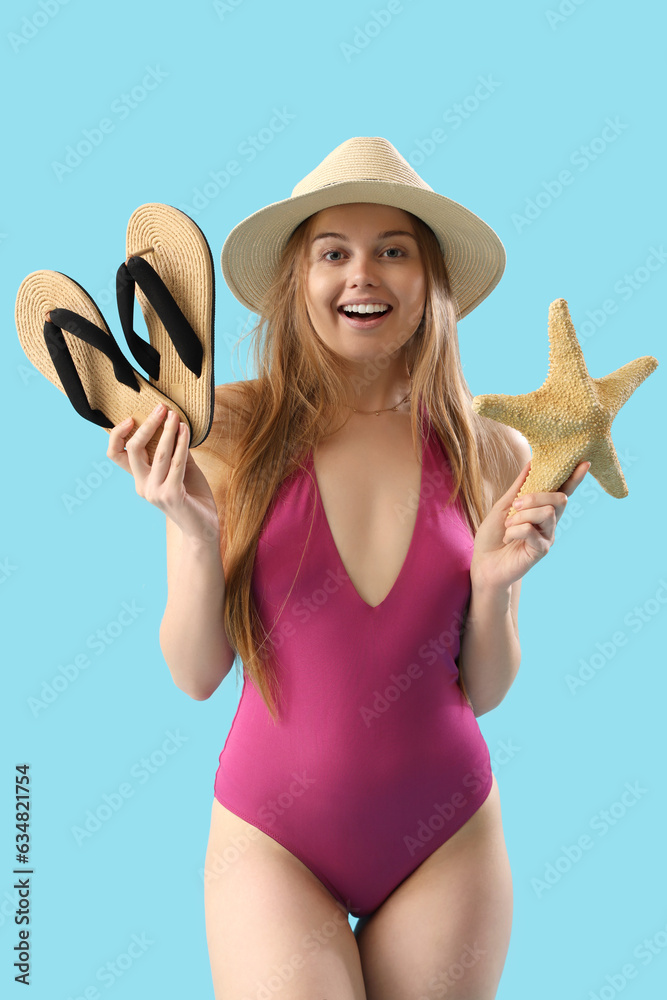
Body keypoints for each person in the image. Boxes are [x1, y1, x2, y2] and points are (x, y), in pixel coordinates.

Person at [107, 137, 590, 1000]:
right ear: (299, 281)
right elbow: (193, 673)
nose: (360, 274)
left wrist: (494, 585)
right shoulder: (227, 428)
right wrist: (188, 526)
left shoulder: (492, 448)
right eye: (333, 252)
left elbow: (483, 688)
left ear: (430, 283)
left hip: (448, 837)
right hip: (273, 837)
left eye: (391, 251)